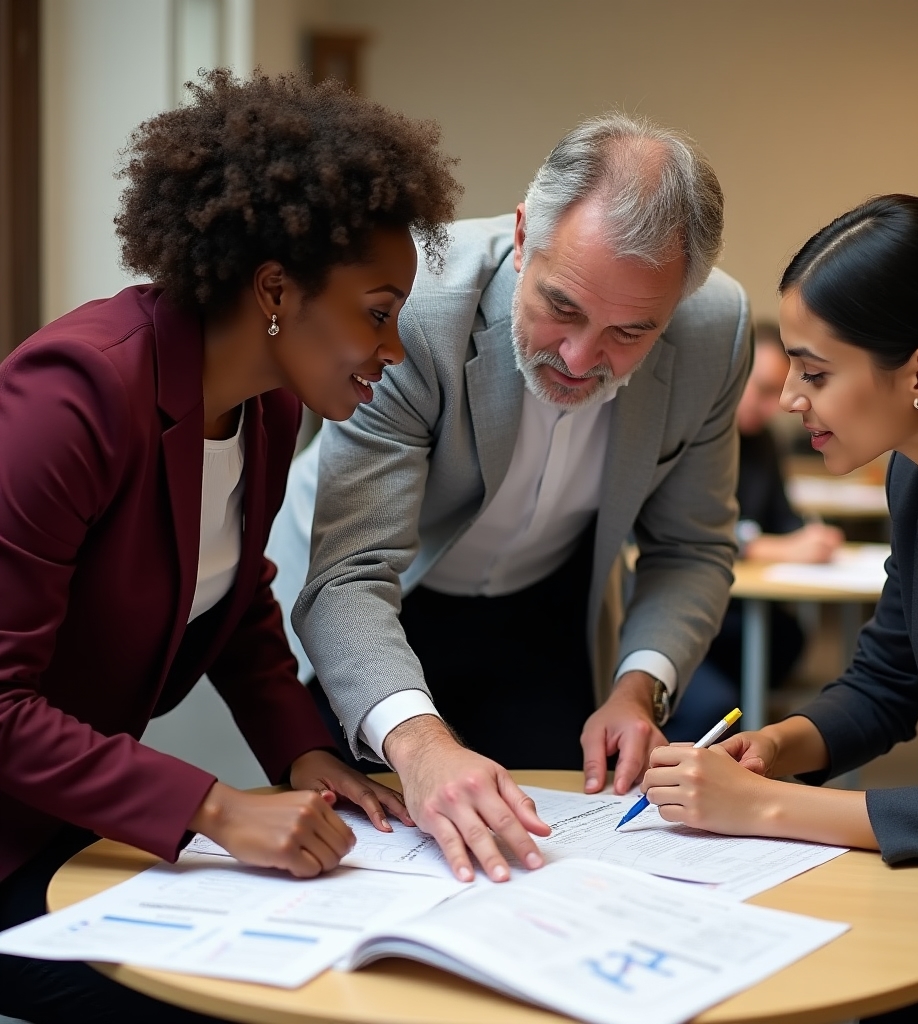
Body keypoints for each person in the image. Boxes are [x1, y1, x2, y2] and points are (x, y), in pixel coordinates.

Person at [0, 70, 461, 1023]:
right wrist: (214, 806)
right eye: (378, 313)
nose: (396, 351)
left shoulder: (267, 406)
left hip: (75, 825)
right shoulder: (71, 398)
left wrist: (302, 753)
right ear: (275, 290)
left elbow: (239, 601)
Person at [285, 113, 751, 885]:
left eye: (629, 333)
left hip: (543, 610)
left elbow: (691, 547)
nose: (579, 358)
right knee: (363, 869)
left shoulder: (715, 331)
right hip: (374, 602)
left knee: (545, 861)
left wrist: (637, 691)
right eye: (562, 308)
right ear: (525, 232)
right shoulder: (417, 309)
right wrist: (422, 744)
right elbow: (350, 573)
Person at [640, 194, 918, 1018]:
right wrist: (778, 747)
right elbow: (887, 681)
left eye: (815, 373)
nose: (788, 398)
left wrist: (765, 808)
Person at [665, 321, 843, 740]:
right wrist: (775, 548)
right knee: (718, 702)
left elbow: (785, 519)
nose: (773, 406)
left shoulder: (762, 442)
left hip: (738, 609)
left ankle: (754, 727)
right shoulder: (692, 435)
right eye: (762, 390)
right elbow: (687, 534)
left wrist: (811, 536)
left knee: (788, 639)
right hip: (686, 607)